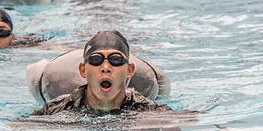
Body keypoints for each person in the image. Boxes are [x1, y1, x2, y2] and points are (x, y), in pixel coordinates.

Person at [31, 30, 170, 115]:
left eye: (116, 59)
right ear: (83, 70)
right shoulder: (54, 110)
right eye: (96, 59)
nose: (105, 67)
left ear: (129, 70)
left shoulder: (151, 111)